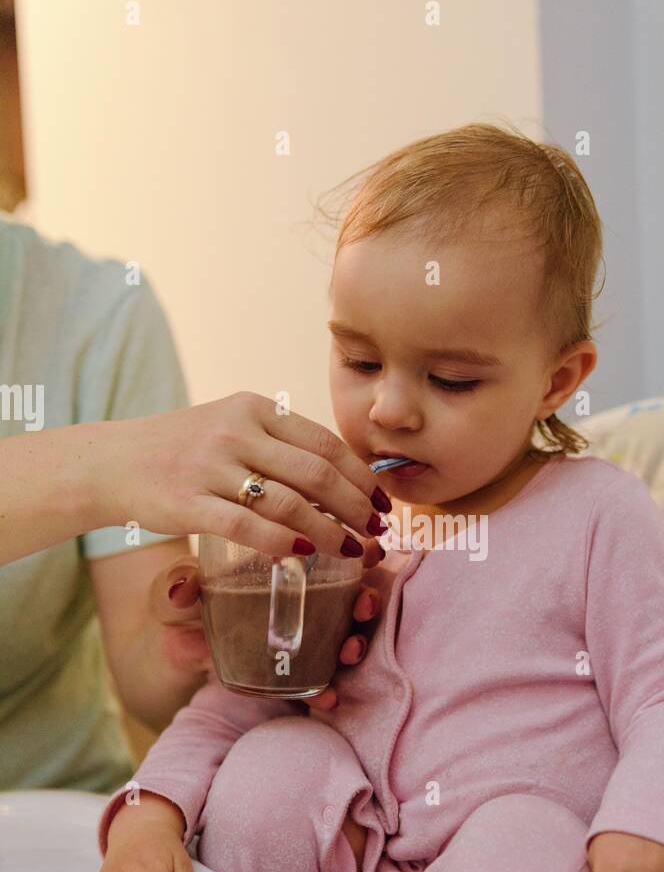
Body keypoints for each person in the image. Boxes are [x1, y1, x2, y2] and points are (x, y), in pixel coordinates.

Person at [92, 123, 664, 872]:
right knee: (272, 768)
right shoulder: (326, 527)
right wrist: (149, 815)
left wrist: (650, 820)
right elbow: (232, 704)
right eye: (359, 360)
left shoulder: (596, 513)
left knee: (528, 844)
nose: (389, 409)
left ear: (553, 380)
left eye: (451, 380)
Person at [0, 212, 388, 795]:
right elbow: (111, 469)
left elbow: (148, 679)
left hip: (53, 811)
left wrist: (200, 650)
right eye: (363, 364)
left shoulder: (98, 309)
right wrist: (101, 468)